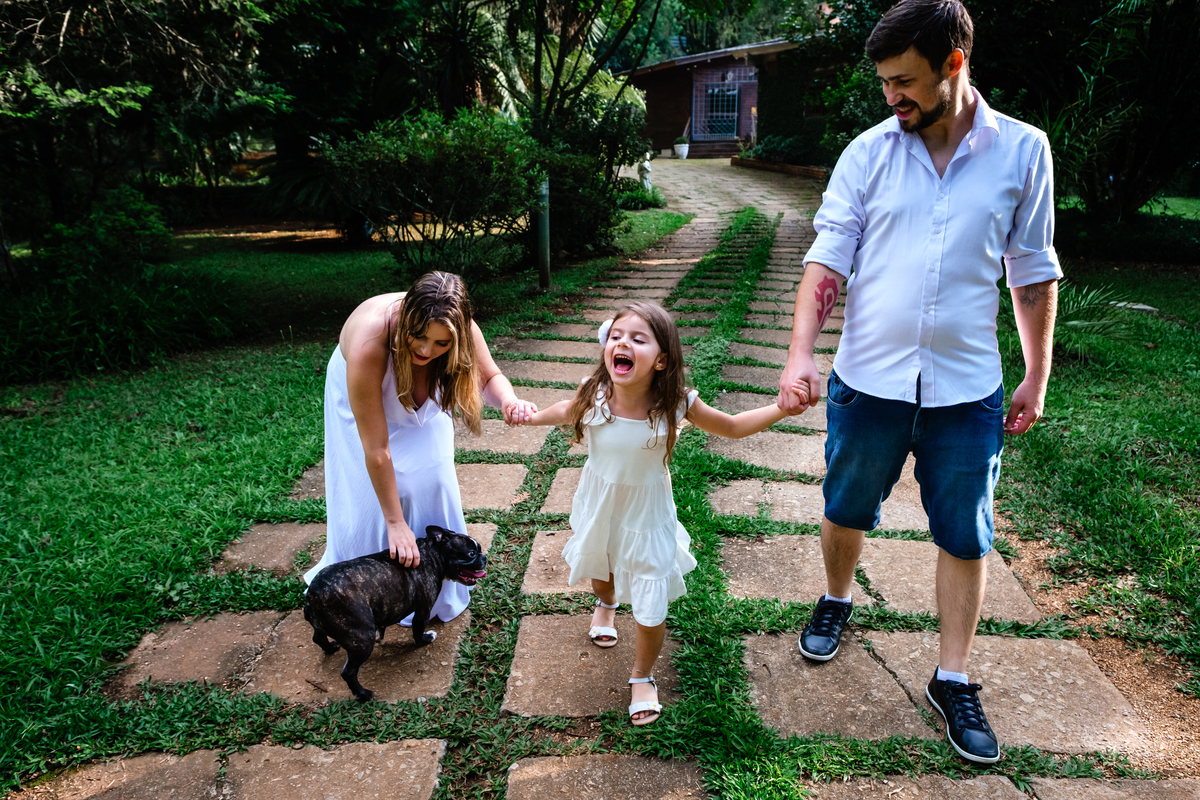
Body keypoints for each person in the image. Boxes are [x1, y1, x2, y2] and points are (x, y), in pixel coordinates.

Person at [775, 0, 1060, 764]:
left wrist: (1037, 373)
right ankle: (837, 598)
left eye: (904, 81)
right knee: (845, 507)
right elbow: (827, 259)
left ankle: (952, 677)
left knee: (966, 534)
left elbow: (1032, 271)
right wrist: (800, 353)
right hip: (867, 380)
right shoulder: (867, 154)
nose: (891, 96)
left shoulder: (1024, 151)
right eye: (884, 82)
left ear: (953, 64)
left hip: (967, 391)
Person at [527, 301, 811, 725]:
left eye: (638, 339)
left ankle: (642, 675)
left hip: (647, 514)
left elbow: (732, 426)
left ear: (661, 360)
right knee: (601, 572)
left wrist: (782, 409)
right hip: (601, 503)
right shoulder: (596, 392)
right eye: (616, 336)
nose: (623, 343)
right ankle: (606, 604)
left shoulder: (675, 403)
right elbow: (564, 411)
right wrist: (531, 417)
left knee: (651, 598)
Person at [303, 271, 537, 626]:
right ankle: (367, 589)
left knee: (435, 478)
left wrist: (508, 400)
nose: (427, 351)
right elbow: (377, 450)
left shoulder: (459, 328)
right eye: (419, 337)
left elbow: (489, 377)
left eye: (442, 343)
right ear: (406, 321)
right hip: (367, 388)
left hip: (422, 394)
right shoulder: (370, 343)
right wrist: (395, 523)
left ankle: (436, 581)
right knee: (387, 486)